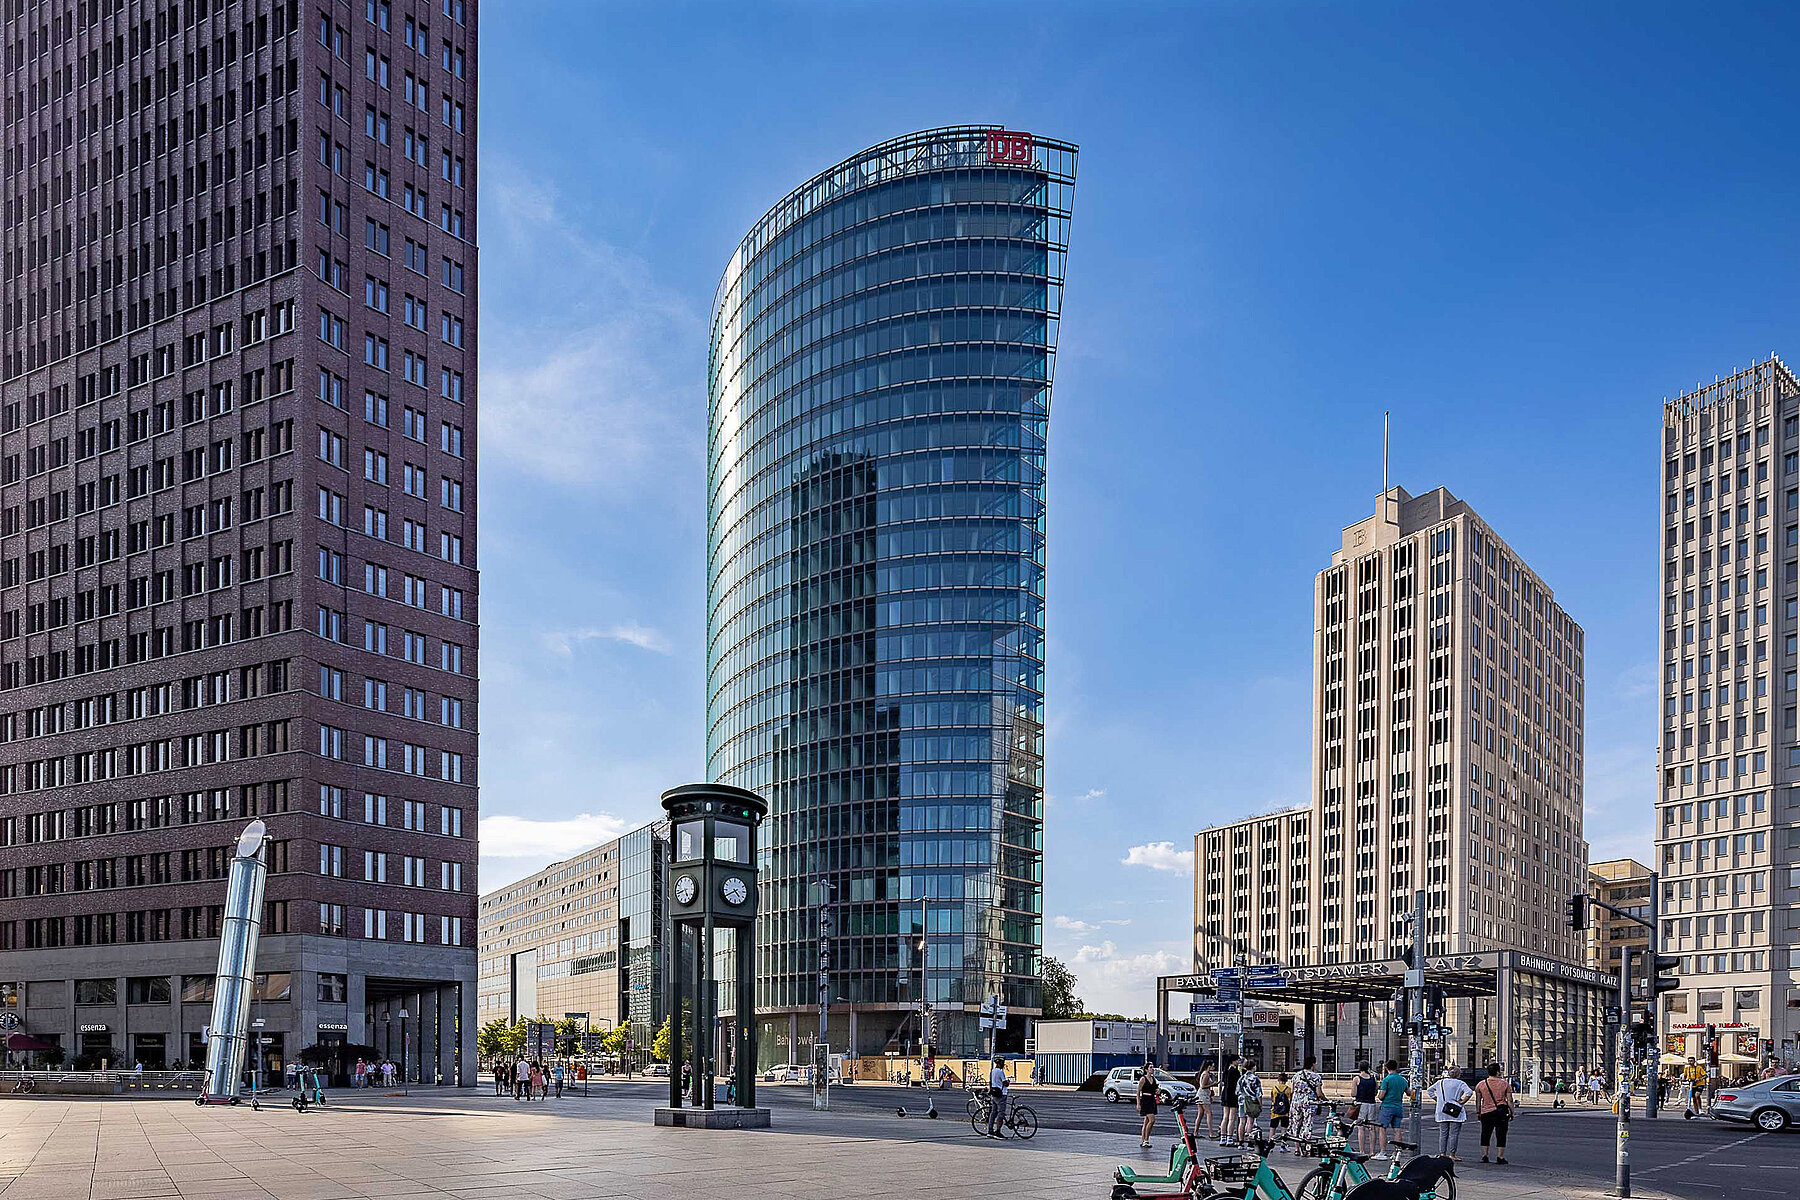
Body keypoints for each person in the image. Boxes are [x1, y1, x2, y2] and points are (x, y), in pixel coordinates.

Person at [1424, 1065, 1473, 1160]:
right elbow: (1469, 1092)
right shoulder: (1460, 1083)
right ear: (1458, 1074)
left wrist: (1436, 1099)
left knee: (1443, 1133)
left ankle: (1442, 1153)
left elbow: (1429, 1090)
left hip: (1442, 1110)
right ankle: (1452, 1154)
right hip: (1455, 1111)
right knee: (1454, 1134)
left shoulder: (1440, 1082)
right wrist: (1463, 1101)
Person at [1474, 1062, 1514, 1165]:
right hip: (1501, 1112)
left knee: (1485, 1134)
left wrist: (1478, 1112)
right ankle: (1500, 1157)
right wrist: (1512, 1112)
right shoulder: (1505, 1084)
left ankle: (1485, 1156)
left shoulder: (1481, 1084)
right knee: (1501, 1134)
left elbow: (1478, 1101)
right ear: (1497, 1072)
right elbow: (1510, 1100)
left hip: (1486, 1112)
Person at [1374, 1059, 1409, 1159]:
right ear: (1397, 1067)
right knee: (1397, 1130)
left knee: (1382, 1129)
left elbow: (1381, 1096)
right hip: (1398, 1106)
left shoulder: (1387, 1080)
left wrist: (1381, 1095)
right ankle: (1397, 1152)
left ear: (1386, 1068)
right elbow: (1409, 1092)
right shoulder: (1403, 1080)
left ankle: (1383, 1152)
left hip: (1387, 1106)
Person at [1292, 1056, 1324, 1141]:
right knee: (1307, 1124)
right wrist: (1326, 1100)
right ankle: (1305, 1146)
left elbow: (1292, 1090)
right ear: (1313, 1064)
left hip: (1296, 1102)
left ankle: (1297, 1148)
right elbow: (1319, 1094)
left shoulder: (1296, 1075)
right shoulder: (1316, 1076)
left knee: (1296, 1124)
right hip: (1309, 1103)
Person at [1352, 1063, 1381, 1156]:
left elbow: (1353, 1093)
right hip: (1371, 1103)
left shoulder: (1357, 1078)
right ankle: (1372, 1151)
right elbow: (1376, 1091)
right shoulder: (1373, 1078)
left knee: (1361, 1128)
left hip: (1361, 1104)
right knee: (1372, 1128)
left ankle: (1362, 1151)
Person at [1237, 1059, 1264, 1142]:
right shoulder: (1255, 1079)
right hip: (1251, 1102)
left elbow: (1237, 1091)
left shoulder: (1241, 1078)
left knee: (1242, 1122)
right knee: (1250, 1122)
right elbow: (1259, 1094)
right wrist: (1260, 1104)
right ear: (1253, 1067)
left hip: (1242, 1102)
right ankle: (1249, 1141)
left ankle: (1240, 1142)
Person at [1219, 1057, 1242, 1146]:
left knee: (1225, 1117)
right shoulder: (1235, 1072)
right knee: (1232, 1118)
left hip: (1225, 1095)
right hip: (1232, 1095)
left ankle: (1223, 1138)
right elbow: (1237, 1083)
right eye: (1237, 1060)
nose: (1238, 1062)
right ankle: (1229, 1138)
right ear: (1233, 1061)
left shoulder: (1226, 1071)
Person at [1137, 1061, 1160, 1148]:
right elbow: (1138, 1091)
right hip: (1145, 1100)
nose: (1152, 1069)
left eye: (1153, 1067)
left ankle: (1143, 1140)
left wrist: (1158, 1091)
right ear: (1146, 1069)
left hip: (1152, 1100)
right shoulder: (1143, 1079)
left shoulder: (1153, 1079)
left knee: (1146, 1121)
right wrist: (1138, 1103)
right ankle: (1146, 1140)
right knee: (1152, 1120)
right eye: (1150, 1067)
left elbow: (1156, 1088)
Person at [986, 1057, 1009, 1137]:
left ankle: (990, 1130)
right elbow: (1005, 1083)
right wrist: (1008, 1082)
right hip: (1001, 1094)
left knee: (993, 1113)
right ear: (1000, 1064)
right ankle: (998, 1131)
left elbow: (990, 1082)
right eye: (1002, 1063)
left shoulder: (992, 1071)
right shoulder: (1000, 1072)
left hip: (994, 1094)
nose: (1003, 1065)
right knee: (1001, 1113)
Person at [1195, 1065, 1218, 1140]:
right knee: (1209, 1113)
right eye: (1213, 1066)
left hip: (1201, 1095)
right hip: (1203, 1095)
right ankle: (1211, 1133)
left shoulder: (1204, 1073)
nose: (1214, 1068)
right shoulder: (1206, 1074)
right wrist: (1213, 1084)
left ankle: (1196, 1132)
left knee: (1200, 1114)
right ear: (1209, 1066)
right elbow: (1203, 1086)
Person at [1268, 1072, 1291, 1141]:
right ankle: (1283, 1145)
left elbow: (1272, 1098)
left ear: (1278, 1079)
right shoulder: (1288, 1089)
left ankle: (1270, 1143)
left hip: (1275, 1112)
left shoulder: (1274, 1088)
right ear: (1286, 1080)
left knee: (1273, 1128)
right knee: (1284, 1129)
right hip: (1285, 1112)